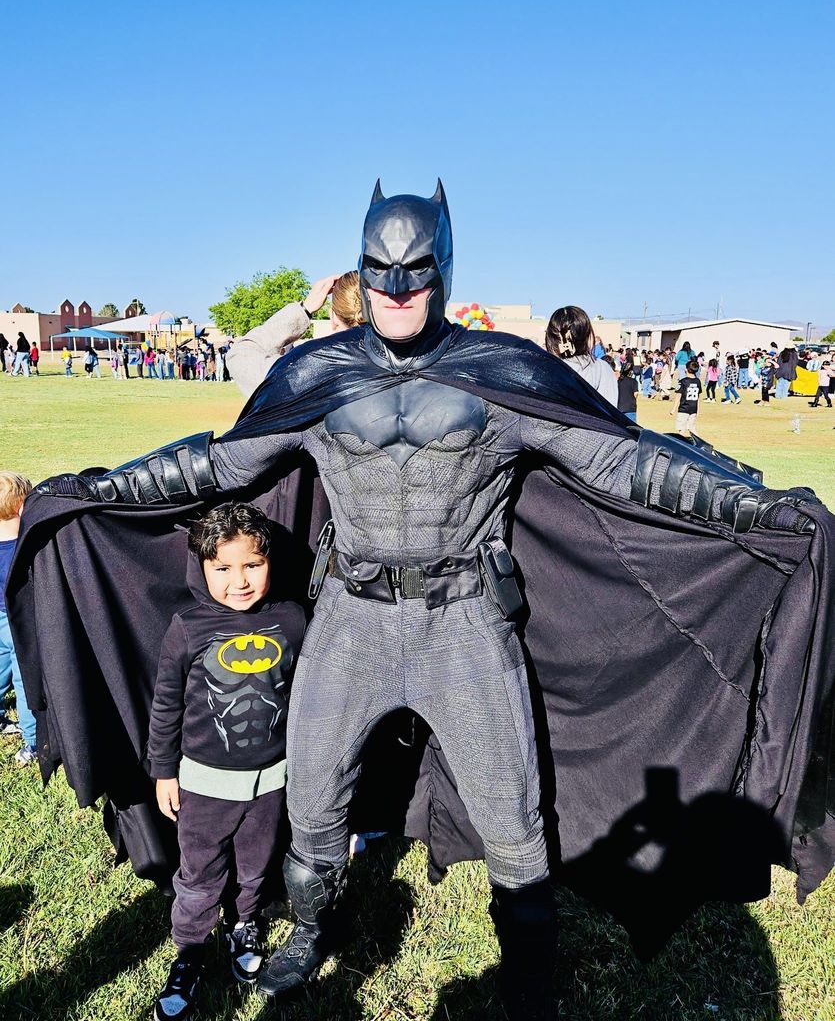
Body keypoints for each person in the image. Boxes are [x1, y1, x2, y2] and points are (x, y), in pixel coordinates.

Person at [16, 182, 834, 1021]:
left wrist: (746, 504)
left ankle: (527, 977)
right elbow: (220, 467)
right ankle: (309, 927)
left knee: (512, 814)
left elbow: (624, 465)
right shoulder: (317, 374)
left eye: (413, 271)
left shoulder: (502, 374)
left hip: (465, 623)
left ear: (443, 268)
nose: (396, 289)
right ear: (359, 271)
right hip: (349, 619)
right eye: (379, 272)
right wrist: (102, 486)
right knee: (313, 800)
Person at [149, 502, 304, 1021]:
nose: (239, 581)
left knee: (256, 864)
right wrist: (163, 771)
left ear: (269, 563)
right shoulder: (188, 628)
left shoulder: (292, 618)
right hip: (204, 784)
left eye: (251, 565)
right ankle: (190, 951)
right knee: (199, 873)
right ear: (203, 568)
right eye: (223, 568)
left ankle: (245, 924)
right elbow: (166, 703)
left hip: (271, 782)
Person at [226, 272, 349, 399]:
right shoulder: (369, 366)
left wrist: (305, 309)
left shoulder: (309, 368)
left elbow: (239, 355)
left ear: (333, 317)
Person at [0, 472, 37, 764]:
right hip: (18, 621)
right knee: (25, 679)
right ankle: (33, 743)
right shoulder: (27, 546)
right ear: (21, 506)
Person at [544, 305, 618, 406]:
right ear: (586, 335)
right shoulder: (603, 368)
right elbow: (611, 409)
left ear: (552, 339)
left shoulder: (546, 369)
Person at [672, 359, 702, 435]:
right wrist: (698, 409)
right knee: (691, 428)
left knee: (681, 429)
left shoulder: (683, 381)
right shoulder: (698, 381)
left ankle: (680, 445)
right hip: (693, 408)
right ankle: (700, 444)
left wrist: (673, 409)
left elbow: (678, 395)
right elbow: (698, 397)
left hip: (683, 408)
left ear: (686, 369)